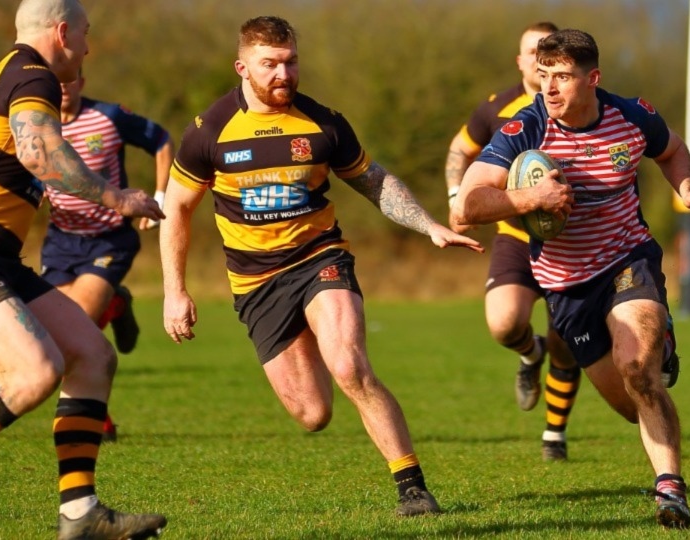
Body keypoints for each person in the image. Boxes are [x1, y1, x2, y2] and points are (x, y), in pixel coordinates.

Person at [160, 15, 483, 517]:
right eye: (269, 65)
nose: (283, 74)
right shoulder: (208, 132)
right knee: (313, 414)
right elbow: (177, 209)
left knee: (351, 366)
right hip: (256, 282)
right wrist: (174, 290)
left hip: (320, 259)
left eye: (290, 62)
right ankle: (311, 337)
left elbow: (373, 181)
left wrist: (427, 225)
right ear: (242, 67)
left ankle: (412, 488)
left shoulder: (324, 123)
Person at [0, 1, 167, 538]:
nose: (87, 47)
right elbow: (41, 154)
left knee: (91, 354)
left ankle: (79, 513)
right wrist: (118, 197)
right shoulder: (32, 74)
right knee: (34, 372)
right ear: (63, 32)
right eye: (86, 35)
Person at [451, 29, 690, 529]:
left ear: (592, 78)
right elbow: (468, 206)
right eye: (544, 76)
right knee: (630, 403)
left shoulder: (632, 116)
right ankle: (656, 352)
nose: (549, 88)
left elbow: (673, 150)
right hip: (566, 285)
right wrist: (531, 200)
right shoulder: (523, 130)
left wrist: (687, 188)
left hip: (625, 260)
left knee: (638, 367)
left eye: (563, 77)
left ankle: (671, 493)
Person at [444, 21, 583, 461]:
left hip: (571, 242)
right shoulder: (496, 110)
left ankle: (554, 435)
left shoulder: (580, 105)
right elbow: (458, 151)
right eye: (532, 53)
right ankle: (529, 354)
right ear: (521, 61)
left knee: (566, 341)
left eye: (549, 54)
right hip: (515, 238)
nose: (540, 61)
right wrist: (456, 196)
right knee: (504, 324)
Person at [40, 69, 174, 442]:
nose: (63, 87)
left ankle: (97, 422)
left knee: (74, 325)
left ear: (82, 81)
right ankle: (116, 304)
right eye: (56, 80)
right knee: (52, 335)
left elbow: (162, 140)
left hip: (108, 240)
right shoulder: (34, 129)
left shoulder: (108, 117)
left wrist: (160, 197)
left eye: (70, 79)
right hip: (60, 242)